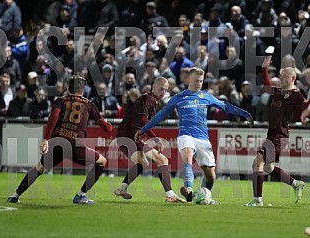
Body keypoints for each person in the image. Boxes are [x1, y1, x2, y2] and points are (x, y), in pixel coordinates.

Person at [135, 67, 254, 203]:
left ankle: (204, 197)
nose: (199, 83)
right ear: (189, 79)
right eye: (196, 80)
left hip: (203, 138)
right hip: (186, 135)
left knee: (211, 176)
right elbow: (160, 115)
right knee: (188, 158)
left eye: (201, 81)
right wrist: (143, 129)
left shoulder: (206, 96)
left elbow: (225, 106)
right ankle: (189, 189)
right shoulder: (178, 97)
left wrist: (245, 114)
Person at [7, 75, 113, 204]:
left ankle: (15, 195)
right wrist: (108, 124)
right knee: (102, 161)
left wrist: (46, 139)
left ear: (69, 88)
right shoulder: (89, 105)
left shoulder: (60, 101)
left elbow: (53, 119)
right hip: (76, 145)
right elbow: (107, 129)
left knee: (40, 167)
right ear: (83, 89)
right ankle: (81, 195)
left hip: (58, 141)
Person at [245, 56, 309, 207]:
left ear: (293, 78)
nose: (282, 78)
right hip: (272, 134)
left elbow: (306, 105)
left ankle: (257, 200)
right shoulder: (278, 92)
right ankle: (295, 183)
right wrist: (263, 69)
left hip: (280, 135)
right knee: (268, 167)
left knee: (257, 163)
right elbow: (267, 86)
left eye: (285, 76)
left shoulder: (296, 95)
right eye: (281, 76)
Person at [114, 77, 186, 203]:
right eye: (161, 89)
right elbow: (143, 121)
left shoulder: (152, 101)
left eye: (165, 90)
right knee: (149, 161)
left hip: (133, 136)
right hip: (127, 136)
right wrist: (155, 138)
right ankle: (170, 194)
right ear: (154, 87)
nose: (163, 92)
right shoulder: (147, 99)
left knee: (160, 160)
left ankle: (122, 188)